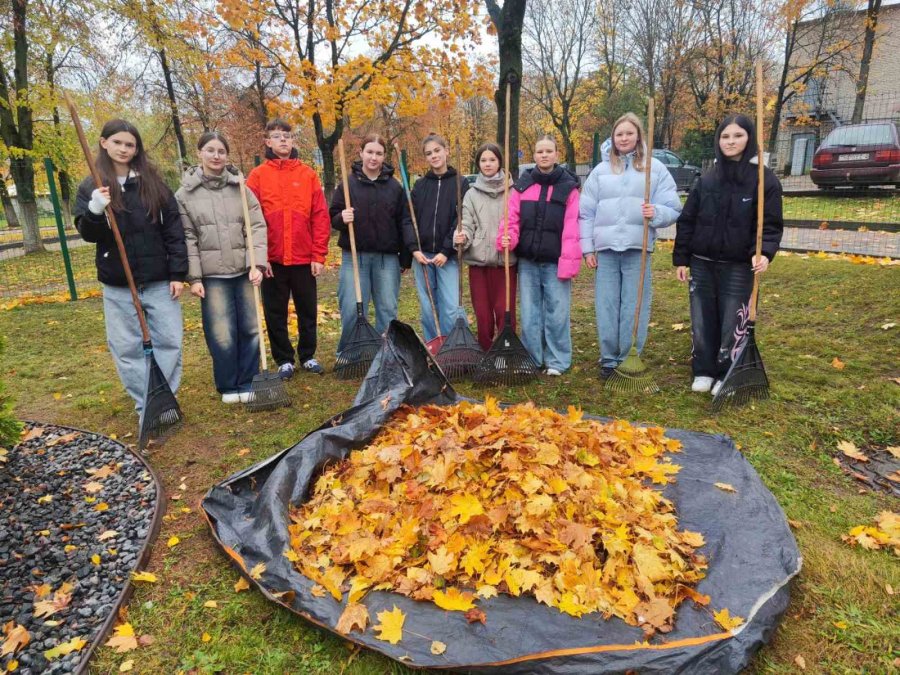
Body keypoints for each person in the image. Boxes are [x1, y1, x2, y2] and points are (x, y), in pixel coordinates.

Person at [73, 119, 187, 412]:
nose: (123, 149)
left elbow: (173, 229)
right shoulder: (92, 186)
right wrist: (95, 209)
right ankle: (146, 405)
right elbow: (88, 234)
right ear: (104, 143)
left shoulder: (153, 184)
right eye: (117, 142)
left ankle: (165, 400)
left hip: (159, 279)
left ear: (137, 149)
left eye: (130, 145)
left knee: (170, 341)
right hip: (118, 282)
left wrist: (177, 273)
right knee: (126, 347)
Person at [673, 113, 783, 395]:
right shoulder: (708, 179)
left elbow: (770, 225)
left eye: (737, 136)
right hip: (702, 262)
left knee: (733, 320)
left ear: (749, 139)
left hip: (738, 265)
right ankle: (703, 370)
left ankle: (727, 372)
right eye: (725, 136)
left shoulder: (764, 180)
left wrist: (764, 252)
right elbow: (688, 219)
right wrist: (682, 258)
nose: (730, 141)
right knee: (702, 319)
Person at [579, 113, 681, 380]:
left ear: (638, 136)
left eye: (629, 133)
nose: (624, 138)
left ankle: (628, 356)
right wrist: (588, 249)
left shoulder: (654, 169)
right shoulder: (600, 171)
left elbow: (673, 207)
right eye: (619, 134)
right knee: (607, 305)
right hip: (606, 250)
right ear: (613, 138)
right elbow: (586, 213)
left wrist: (656, 212)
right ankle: (609, 358)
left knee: (634, 306)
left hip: (638, 248)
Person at [175, 132, 268, 403]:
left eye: (221, 151)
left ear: (227, 155)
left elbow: (256, 227)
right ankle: (228, 385)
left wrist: (257, 263)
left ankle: (248, 381)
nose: (216, 156)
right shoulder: (185, 195)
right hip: (212, 275)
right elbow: (188, 237)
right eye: (210, 150)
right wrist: (194, 278)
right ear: (199, 153)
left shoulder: (241, 188)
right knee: (221, 332)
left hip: (244, 270)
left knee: (250, 327)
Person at [246, 119, 330, 379]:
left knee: (307, 309)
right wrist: (260, 259)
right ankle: (284, 359)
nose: (283, 139)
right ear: (268, 142)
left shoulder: (308, 175)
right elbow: (250, 219)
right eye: (277, 136)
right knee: (275, 312)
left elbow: (320, 216)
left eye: (287, 135)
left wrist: (318, 254)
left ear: (292, 141)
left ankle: (308, 355)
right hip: (272, 260)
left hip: (304, 257)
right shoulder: (257, 176)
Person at [500, 135, 581, 376]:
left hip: (555, 260)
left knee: (557, 311)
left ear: (557, 154)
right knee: (530, 312)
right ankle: (532, 358)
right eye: (539, 151)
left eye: (548, 151)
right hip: (529, 260)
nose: (544, 155)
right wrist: (507, 237)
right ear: (534, 155)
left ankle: (557, 360)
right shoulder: (522, 186)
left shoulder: (568, 187)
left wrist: (568, 262)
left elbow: (572, 228)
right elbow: (511, 218)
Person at [330, 133, 412, 353]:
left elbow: (403, 221)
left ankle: (386, 353)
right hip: (354, 257)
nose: (373, 157)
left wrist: (405, 258)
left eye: (378, 153)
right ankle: (350, 353)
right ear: (361, 153)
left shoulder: (394, 187)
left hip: (387, 258)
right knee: (352, 307)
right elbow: (333, 216)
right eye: (369, 152)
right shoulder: (348, 184)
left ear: (384, 156)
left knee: (387, 309)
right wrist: (341, 218)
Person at [405, 133, 469, 342]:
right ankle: (434, 346)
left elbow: (461, 219)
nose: (433, 156)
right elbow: (409, 218)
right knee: (428, 306)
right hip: (423, 256)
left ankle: (455, 346)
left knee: (450, 305)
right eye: (428, 153)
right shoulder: (420, 185)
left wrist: (445, 250)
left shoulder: (460, 183)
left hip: (447, 256)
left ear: (446, 151)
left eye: (437, 150)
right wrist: (414, 249)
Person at [454, 142, 516, 350]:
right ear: (478, 164)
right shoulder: (471, 194)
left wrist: (511, 238)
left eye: (492, 159)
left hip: (505, 263)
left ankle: (506, 350)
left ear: (500, 162)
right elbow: (467, 223)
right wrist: (462, 236)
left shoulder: (512, 192)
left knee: (504, 310)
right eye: (483, 160)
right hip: (479, 264)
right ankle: (485, 351)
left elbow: (517, 222)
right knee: (482, 313)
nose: (488, 164)